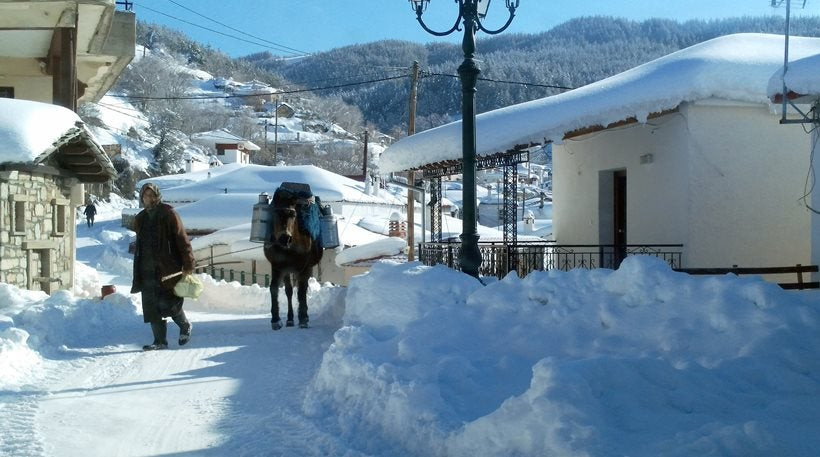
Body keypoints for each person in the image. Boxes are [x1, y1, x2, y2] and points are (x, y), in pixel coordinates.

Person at [130, 183, 195, 351]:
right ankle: (159, 341)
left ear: (157, 196)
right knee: (151, 306)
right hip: (146, 269)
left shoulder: (168, 213)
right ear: (142, 198)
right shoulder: (141, 218)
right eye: (145, 196)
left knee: (170, 303)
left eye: (152, 195)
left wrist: (188, 264)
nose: (148, 198)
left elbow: (182, 240)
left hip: (167, 268)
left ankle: (185, 326)